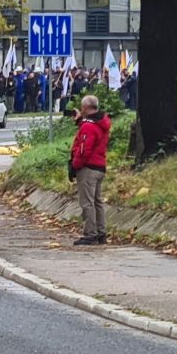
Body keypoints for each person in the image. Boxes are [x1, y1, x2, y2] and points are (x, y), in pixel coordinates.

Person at [69, 95, 111, 246]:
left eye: (82, 108)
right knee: (97, 201)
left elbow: (83, 149)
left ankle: (90, 234)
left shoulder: (88, 127)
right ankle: (101, 232)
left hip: (88, 168)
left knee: (87, 203)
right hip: (100, 166)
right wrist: (80, 121)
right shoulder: (101, 123)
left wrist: (75, 165)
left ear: (85, 108)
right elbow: (92, 131)